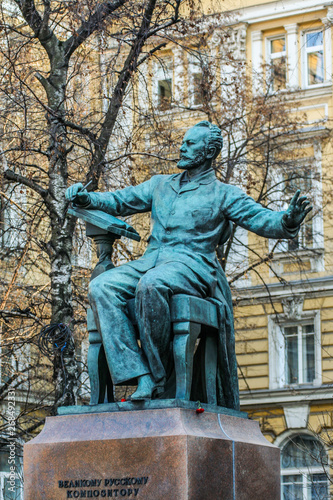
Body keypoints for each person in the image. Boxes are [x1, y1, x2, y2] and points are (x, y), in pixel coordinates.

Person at [65, 121, 311, 408]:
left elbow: (262, 220)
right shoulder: (160, 185)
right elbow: (120, 200)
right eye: (183, 141)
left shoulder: (224, 194)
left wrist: (289, 219)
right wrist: (87, 197)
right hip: (152, 261)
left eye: (190, 143)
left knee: (152, 284)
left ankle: (160, 380)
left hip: (193, 266)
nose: (182, 147)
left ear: (208, 152)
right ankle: (140, 374)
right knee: (101, 286)